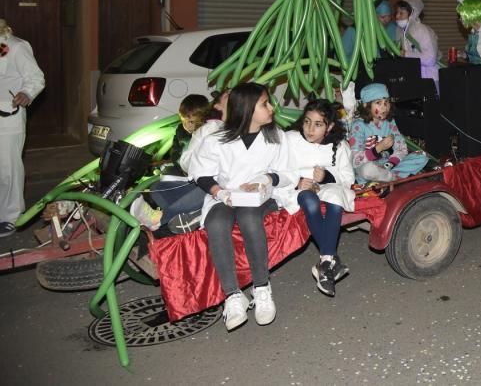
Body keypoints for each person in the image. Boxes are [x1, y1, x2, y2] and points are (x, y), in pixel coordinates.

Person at [188, 82, 292, 331]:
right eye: (265, 104)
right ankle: (233, 295)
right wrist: (220, 193)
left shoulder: (276, 137)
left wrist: (266, 180)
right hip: (225, 196)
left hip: (261, 198)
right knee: (216, 222)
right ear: (246, 109)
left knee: (248, 217)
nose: (271, 108)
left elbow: (288, 173)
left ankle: (261, 288)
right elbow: (200, 173)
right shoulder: (217, 139)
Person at [275, 99, 353, 296]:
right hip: (295, 189)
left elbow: (347, 178)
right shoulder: (290, 139)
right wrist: (297, 181)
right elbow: (276, 169)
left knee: (336, 200)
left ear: (330, 127)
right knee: (310, 201)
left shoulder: (339, 146)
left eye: (318, 124)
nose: (310, 129)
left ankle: (325, 262)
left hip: (327, 187)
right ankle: (330, 259)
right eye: (307, 121)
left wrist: (325, 176)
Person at [130, 94, 213, 230]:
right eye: (183, 120)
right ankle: (183, 214)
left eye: (191, 122)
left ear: (203, 119)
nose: (187, 125)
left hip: (206, 182)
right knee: (156, 187)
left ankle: (158, 219)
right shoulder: (182, 131)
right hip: (186, 175)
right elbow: (176, 155)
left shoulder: (209, 133)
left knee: (200, 191)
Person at [0, 19, 45, 239]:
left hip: (7, 117)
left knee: (8, 170)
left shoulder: (16, 46)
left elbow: (36, 77)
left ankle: (11, 217)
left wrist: (27, 93)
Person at [349, 83, 428, 184]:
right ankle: (393, 178)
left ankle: (389, 178)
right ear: (366, 105)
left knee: (421, 156)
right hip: (367, 168)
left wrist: (389, 164)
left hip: (387, 166)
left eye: (386, 102)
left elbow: (401, 149)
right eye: (378, 102)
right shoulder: (358, 125)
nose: (384, 107)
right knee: (367, 170)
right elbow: (355, 160)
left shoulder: (389, 122)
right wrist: (378, 148)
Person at [395, 0, 440, 90]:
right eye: (397, 12)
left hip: (428, 79)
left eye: (401, 13)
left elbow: (430, 58)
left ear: (412, 14)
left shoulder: (422, 30)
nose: (397, 16)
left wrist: (406, 54)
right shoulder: (404, 32)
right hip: (414, 78)